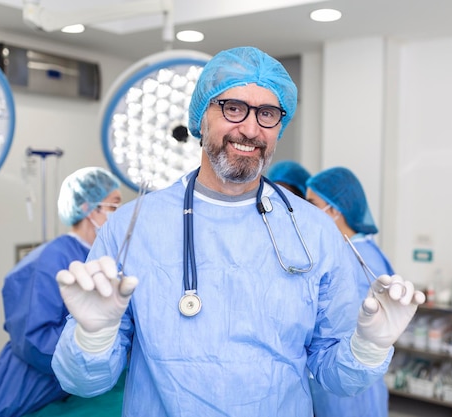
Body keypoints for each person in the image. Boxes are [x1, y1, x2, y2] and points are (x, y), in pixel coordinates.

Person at [51, 46, 425, 417]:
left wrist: (368, 347)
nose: (250, 128)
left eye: (267, 114)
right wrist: (93, 336)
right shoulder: (133, 227)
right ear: (201, 117)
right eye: (233, 108)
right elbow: (84, 383)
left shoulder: (314, 231)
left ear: (280, 126)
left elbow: (335, 377)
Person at [0, 167, 122, 417]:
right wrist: (92, 346)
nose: (120, 214)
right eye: (114, 206)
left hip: (72, 386)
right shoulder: (48, 260)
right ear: (89, 208)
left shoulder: (99, 255)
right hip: (35, 387)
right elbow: (34, 340)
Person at [306, 166, 395, 417]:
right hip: (351, 382)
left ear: (334, 210)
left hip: (347, 386)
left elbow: (341, 328)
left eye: (312, 203)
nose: (307, 211)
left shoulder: (355, 259)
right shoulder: (361, 248)